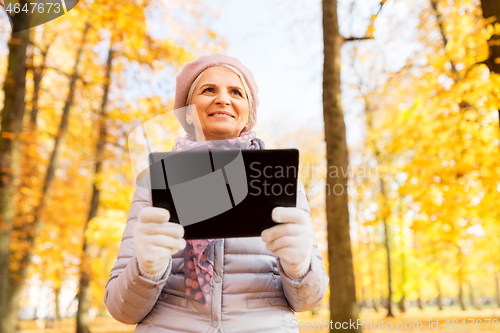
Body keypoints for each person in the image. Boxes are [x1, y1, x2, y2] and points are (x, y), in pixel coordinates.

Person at [104, 53, 329, 333]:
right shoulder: (154, 182)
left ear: (248, 114)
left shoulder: (279, 178)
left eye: (236, 92)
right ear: (187, 112)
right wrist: (146, 268)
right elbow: (120, 309)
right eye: (208, 90)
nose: (223, 99)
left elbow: (310, 299)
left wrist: (299, 266)